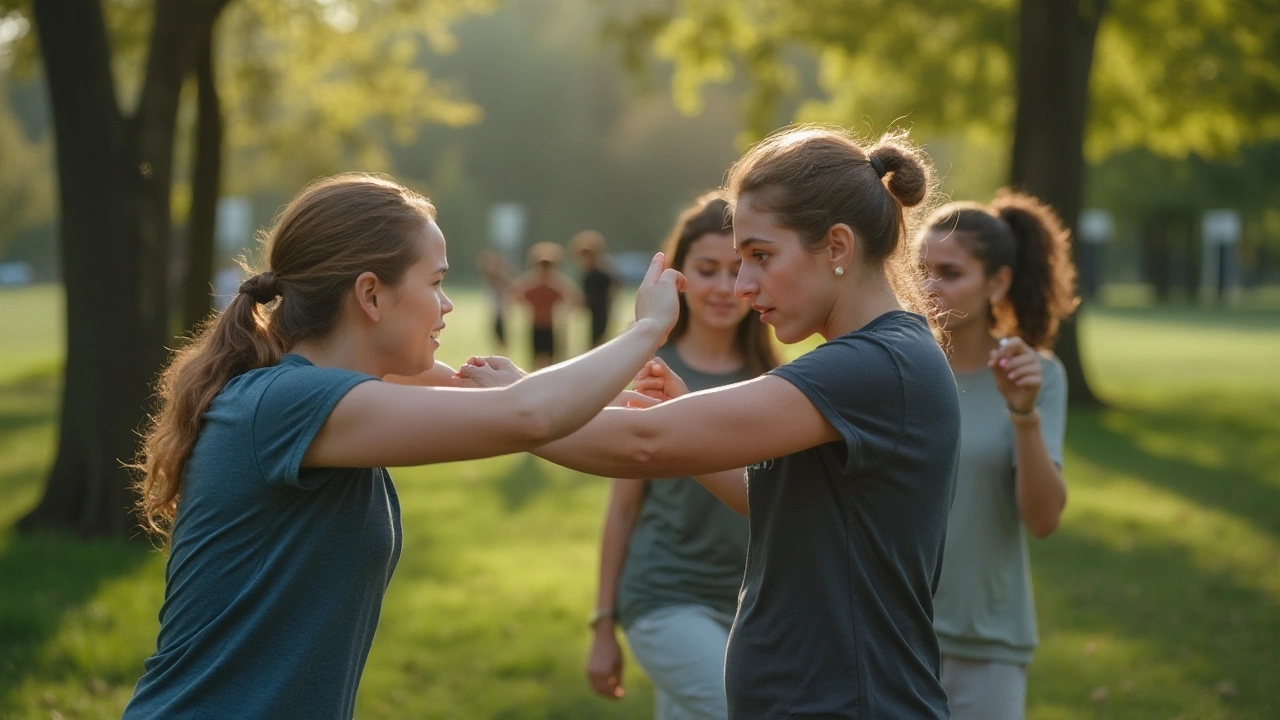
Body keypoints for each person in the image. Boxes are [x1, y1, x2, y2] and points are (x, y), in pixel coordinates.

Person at [122, 173, 684, 720]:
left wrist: (678, 418)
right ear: (370, 294)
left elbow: (559, 417)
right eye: (435, 281)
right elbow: (531, 416)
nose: (447, 305)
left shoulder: (346, 389)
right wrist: (646, 331)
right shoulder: (288, 401)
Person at [470, 126, 960, 719]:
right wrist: (691, 432)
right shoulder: (873, 360)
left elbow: (643, 446)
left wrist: (521, 399)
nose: (743, 284)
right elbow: (774, 503)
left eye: (759, 256)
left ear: (836, 247)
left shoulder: (874, 366)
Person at [585, 192, 779, 718]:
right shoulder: (650, 371)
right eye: (707, 269)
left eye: (738, 269)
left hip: (749, 604)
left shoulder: (776, 379)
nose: (723, 287)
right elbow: (623, 507)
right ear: (679, 275)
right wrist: (603, 623)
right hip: (665, 596)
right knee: (737, 708)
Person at [918, 191, 1077, 720]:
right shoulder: (898, 371)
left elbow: (1044, 518)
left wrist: (1023, 413)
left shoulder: (1038, 375)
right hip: (893, 635)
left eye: (949, 272)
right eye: (919, 269)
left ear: (998, 282)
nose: (928, 287)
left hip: (988, 643)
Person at [510, 241, 582, 369]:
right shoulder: (531, 285)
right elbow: (514, 295)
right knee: (535, 360)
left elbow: (574, 298)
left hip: (550, 326)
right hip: (536, 325)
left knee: (552, 361)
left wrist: (563, 313)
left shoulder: (555, 285)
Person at [570, 229, 619, 348]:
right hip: (594, 311)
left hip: (601, 311)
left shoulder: (600, 273)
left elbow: (610, 290)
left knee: (599, 341)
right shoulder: (589, 273)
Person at [476, 248, 513, 352]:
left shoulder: (501, 279)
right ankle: (500, 354)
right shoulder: (492, 279)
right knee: (497, 337)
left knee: (501, 338)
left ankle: (502, 355)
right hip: (496, 311)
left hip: (500, 312)